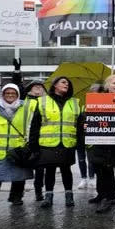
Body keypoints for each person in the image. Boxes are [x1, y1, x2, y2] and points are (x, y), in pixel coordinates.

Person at [29, 77, 83, 208]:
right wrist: (33, 146)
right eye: (63, 82)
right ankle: (48, 196)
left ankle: (69, 196)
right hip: (47, 143)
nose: (67, 84)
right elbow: (35, 125)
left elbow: (79, 125)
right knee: (50, 170)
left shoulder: (75, 103)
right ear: (55, 86)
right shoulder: (42, 102)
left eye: (68, 83)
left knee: (66, 170)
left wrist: (81, 142)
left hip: (67, 142)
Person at [85, 77, 115, 213]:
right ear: (107, 85)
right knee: (105, 173)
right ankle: (108, 198)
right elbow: (89, 117)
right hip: (102, 144)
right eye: (114, 83)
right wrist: (86, 124)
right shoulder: (98, 100)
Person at [0, 84, 34, 208]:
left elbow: (38, 103)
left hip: (18, 149)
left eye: (13, 93)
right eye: (7, 93)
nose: (10, 95)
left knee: (19, 176)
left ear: (18, 95)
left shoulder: (26, 107)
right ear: (2, 95)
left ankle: (16, 197)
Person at [23, 80, 46, 202]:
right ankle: (16, 194)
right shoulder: (23, 101)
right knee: (20, 167)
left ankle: (39, 192)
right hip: (24, 139)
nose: (38, 88)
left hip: (41, 140)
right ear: (29, 89)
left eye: (41, 86)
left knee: (40, 168)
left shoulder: (46, 103)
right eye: (35, 86)